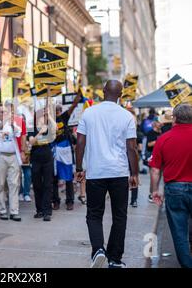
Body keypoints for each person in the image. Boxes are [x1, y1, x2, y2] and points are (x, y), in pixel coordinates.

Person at [76, 80, 139, 268]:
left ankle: (98, 250)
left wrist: (79, 168)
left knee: (94, 214)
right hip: (119, 172)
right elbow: (132, 148)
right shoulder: (127, 116)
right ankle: (115, 259)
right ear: (121, 95)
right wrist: (134, 173)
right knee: (120, 216)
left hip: (96, 172)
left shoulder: (89, 112)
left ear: (103, 91)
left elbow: (80, 143)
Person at [149, 103, 192, 268]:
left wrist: (155, 191)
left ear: (174, 119)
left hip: (175, 189)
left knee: (179, 233)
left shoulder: (163, 139)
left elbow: (155, 170)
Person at [0, 105, 23, 221]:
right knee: (0, 185)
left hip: (13, 156)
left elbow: (19, 132)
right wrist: (3, 123)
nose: (3, 113)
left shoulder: (11, 123)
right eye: (0, 112)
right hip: (0, 157)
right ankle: (2, 210)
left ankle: (14, 211)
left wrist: (12, 124)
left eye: (4, 111)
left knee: (14, 184)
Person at [53, 91, 82, 211]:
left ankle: (70, 201)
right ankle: (55, 201)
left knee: (68, 177)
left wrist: (77, 99)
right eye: (56, 109)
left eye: (59, 109)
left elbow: (72, 107)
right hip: (55, 150)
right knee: (54, 177)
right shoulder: (48, 120)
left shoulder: (63, 118)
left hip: (65, 150)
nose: (58, 111)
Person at [28, 105, 57, 222]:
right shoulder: (33, 128)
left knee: (48, 185)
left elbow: (54, 131)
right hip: (35, 159)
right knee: (37, 185)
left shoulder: (48, 126)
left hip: (47, 159)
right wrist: (40, 132)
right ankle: (39, 210)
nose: (41, 117)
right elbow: (32, 142)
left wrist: (49, 115)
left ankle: (47, 211)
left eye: (43, 116)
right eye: (40, 115)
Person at [146, 119, 163, 202]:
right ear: (155, 123)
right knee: (153, 176)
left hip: (161, 156)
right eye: (159, 122)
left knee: (159, 176)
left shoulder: (162, 132)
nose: (161, 124)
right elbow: (149, 144)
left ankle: (155, 192)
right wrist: (159, 141)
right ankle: (151, 194)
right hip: (152, 156)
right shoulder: (151, 132)